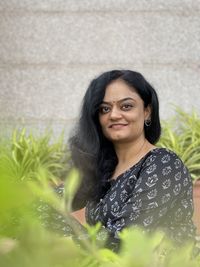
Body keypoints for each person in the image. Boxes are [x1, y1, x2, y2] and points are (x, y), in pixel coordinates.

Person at [68, 69, 196, 250]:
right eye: (105, 108)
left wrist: (62, 242)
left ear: (147, 112)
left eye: (126, 106)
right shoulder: (103, 169)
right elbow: (50, 202)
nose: (113, 115)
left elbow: (124, 239)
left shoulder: (163, 164)